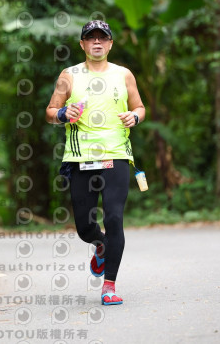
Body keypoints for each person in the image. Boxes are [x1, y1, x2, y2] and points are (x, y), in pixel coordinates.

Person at [45, 20, 146, 305]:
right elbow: (50, 112)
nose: (97, 42)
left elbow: (139, 107)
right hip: (80, 157)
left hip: (116, 154)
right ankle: (100, 245)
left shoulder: (124, 74)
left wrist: (134, 117)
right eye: (91, 38)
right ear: (83, 44)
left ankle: (109, 286)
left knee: (114, 218)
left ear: (111, 44)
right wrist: (63, 114)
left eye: (103, 38)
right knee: (84, 227)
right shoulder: (69, 75)